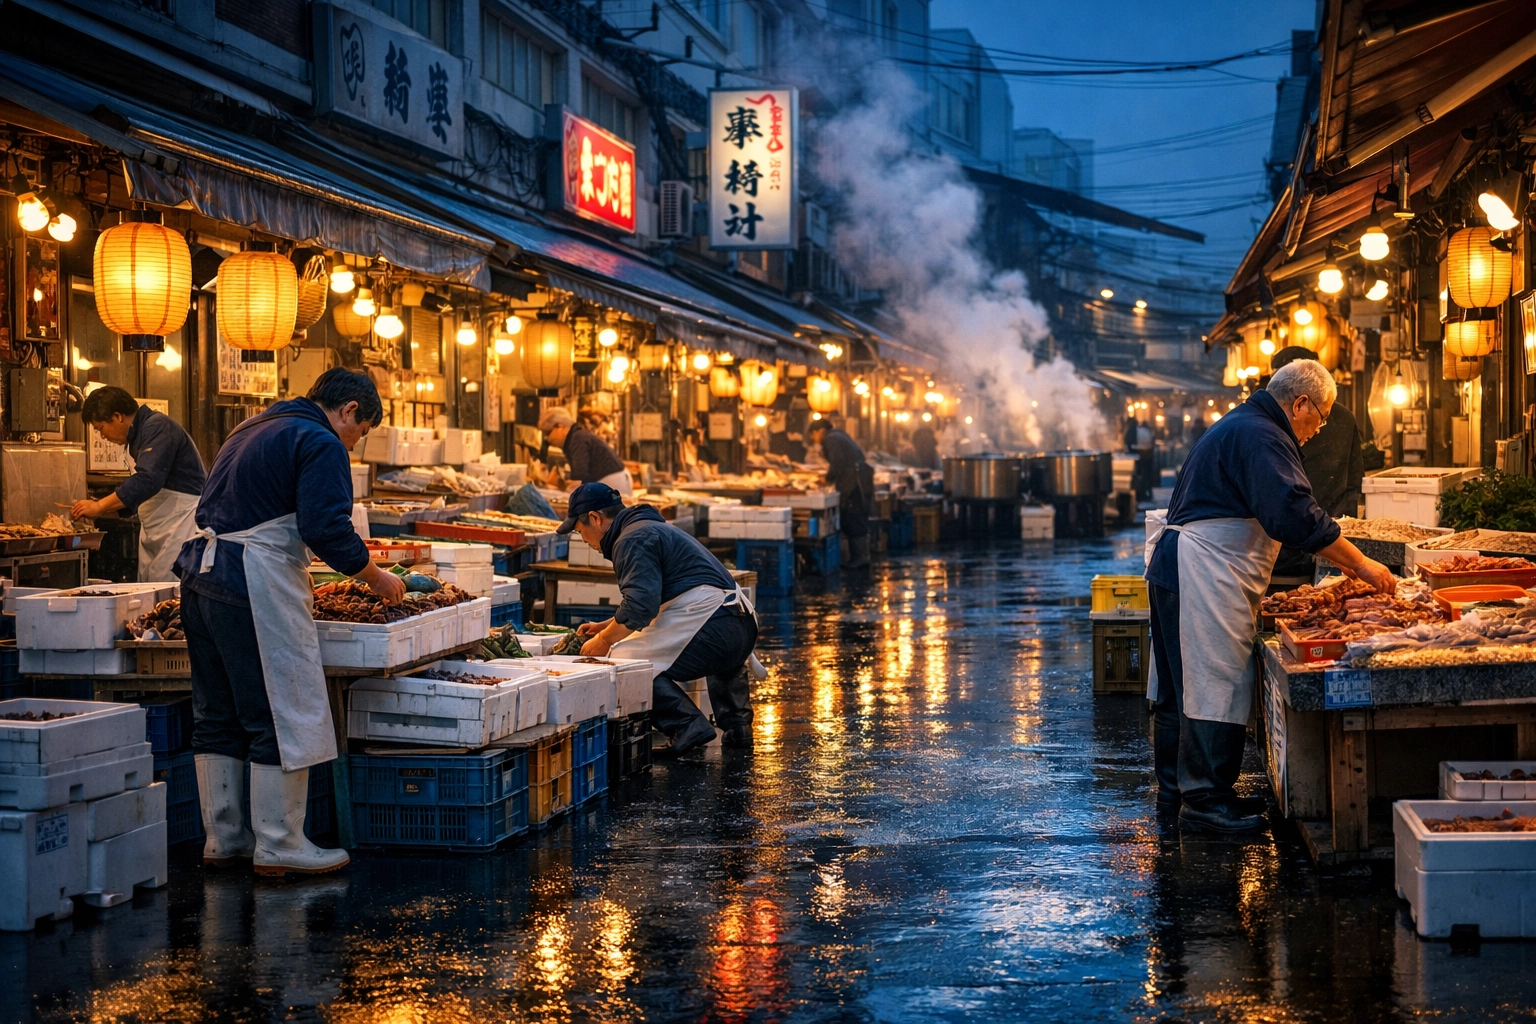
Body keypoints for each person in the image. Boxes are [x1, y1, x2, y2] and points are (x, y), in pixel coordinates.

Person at [174, 368, 406, 876]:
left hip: (200, 580)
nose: (355, 442)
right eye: (360, 431)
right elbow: (324, 526)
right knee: (276, 711)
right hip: (249, 583)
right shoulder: (318, 440)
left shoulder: (252, 426)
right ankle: (280, 844)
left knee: (218, 714)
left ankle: (226, 839)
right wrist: (373, 576)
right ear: (349, 411)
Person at [1145, 360, 1393, 832]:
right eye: (1319, 417)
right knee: (1212, 682)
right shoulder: (1262, 433)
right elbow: (1293, 514)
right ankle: (1206, 803)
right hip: (1202, 569)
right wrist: (1360, 563)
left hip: (1189, 566)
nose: (1317, 430)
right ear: (1299, 403)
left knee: (1183, 687)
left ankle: (1183, 790)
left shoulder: (1246, 423)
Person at [560, 482, 757, 755]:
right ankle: (738, 727)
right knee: (721, 654)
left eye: (580, 530)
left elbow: (641, 607)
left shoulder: (631, 539)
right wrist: (606, 625)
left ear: (595, 518)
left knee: (625, 661)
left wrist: (604, 640)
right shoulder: (649, 528)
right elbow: (655, 598)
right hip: (742, 627)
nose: (583, 539)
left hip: (716, 628)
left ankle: (686, 725)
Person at [71, 387, 206, 582]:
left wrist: (99, 506)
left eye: (100, 428)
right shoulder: (139, 435)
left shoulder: (157, 426)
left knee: (172, 594)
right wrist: (98, 511)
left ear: (117, 416)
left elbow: (148, 480)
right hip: (160, 525)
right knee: (151, 591)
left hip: (182, 523)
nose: (102, 436)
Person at [1266, 347, 1367, 589]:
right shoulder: (1266, 430)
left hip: (1311, 542)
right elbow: (1354, 486)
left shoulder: (1265, 424)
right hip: (1320, 541)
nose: (1318, 429)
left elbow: (1353, 483)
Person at [807, 417, 873, 568]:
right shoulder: (838, 435)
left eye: (814, 435)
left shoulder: (831, 438)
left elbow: (838, 462)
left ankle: (860, 558)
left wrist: (827, 479)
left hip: (853, 482)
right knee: (855, 516)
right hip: (856, 479)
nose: (815, 440)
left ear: (820, 431)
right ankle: (860, 557)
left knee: (852, 516)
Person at [538, 406, 632, 495]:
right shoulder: (576, 437)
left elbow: (580, 476)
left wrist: (561, 484)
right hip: (610, 481)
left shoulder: (577, 439)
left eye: (548, 433)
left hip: (611, 482)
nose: (547, 439)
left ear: (561, 427)